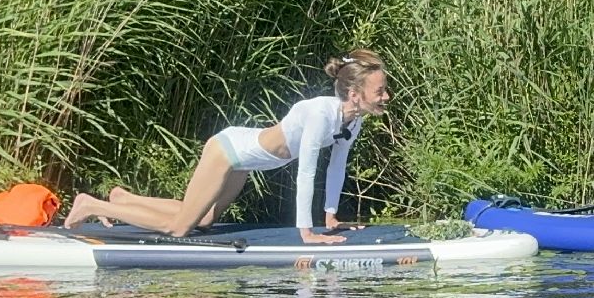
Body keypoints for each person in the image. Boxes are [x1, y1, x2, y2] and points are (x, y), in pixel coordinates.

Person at [64, 51, 389, 243]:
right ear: (355, 94)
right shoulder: (320, 113)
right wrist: (307, 233)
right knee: (179, 228)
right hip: (228, 150)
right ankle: (93, 206)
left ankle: (125, 198)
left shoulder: (353, 119)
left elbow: (337, 165)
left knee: (203, 221)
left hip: (246, 162)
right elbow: (306, 174)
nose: (386, 97)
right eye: (380, 91)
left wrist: (330, 218)